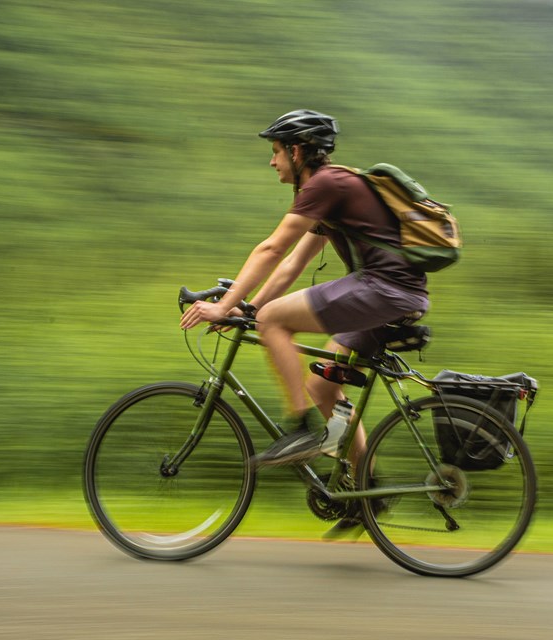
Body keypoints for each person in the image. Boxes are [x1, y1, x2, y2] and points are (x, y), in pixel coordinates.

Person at [180, 109, 429, 533]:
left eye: (276, 151)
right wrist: (248, 308)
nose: (272, 161)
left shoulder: (325, 185)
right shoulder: (334, 191)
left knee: (276, 322)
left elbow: (271, 249)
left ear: (297, 151)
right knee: (321, 386)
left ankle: (299, 431)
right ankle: (368, 494)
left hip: (382, 288)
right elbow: (292, 264)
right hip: (390, 293)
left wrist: (227, 308)